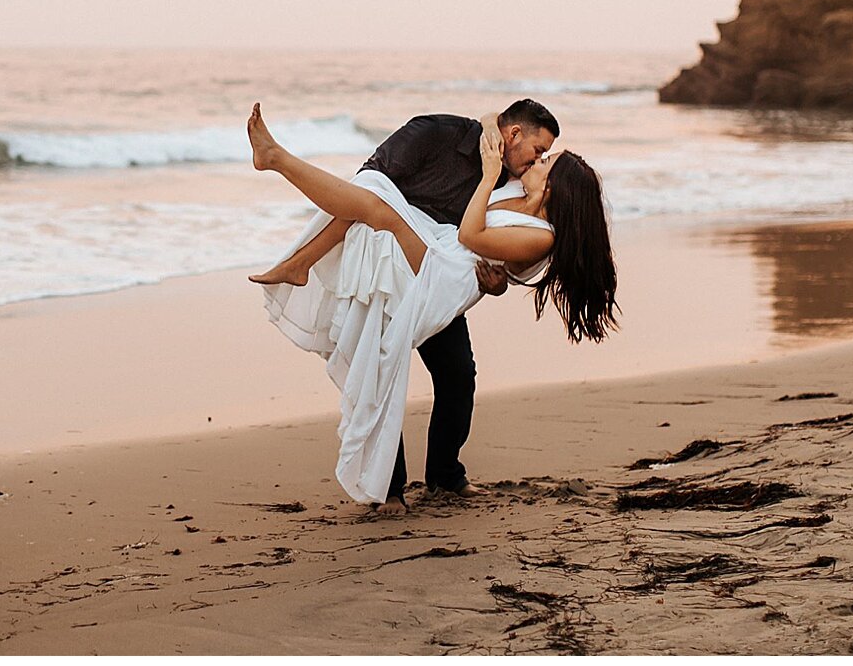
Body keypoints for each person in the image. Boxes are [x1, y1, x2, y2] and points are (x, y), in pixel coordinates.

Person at [248, 100, 618, 514]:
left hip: (440, 276)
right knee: (373, 204)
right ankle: (390, 487)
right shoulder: (449, 142)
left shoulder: (523, 207)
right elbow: (486, 128)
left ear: (553, 188)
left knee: (455, 374)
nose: (539, 160)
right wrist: (491, 146)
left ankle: (445, 476)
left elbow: (476, 239)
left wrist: (491, 180)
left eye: (546, 161)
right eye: (540, 152)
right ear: (512, 135)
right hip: (430, 257)